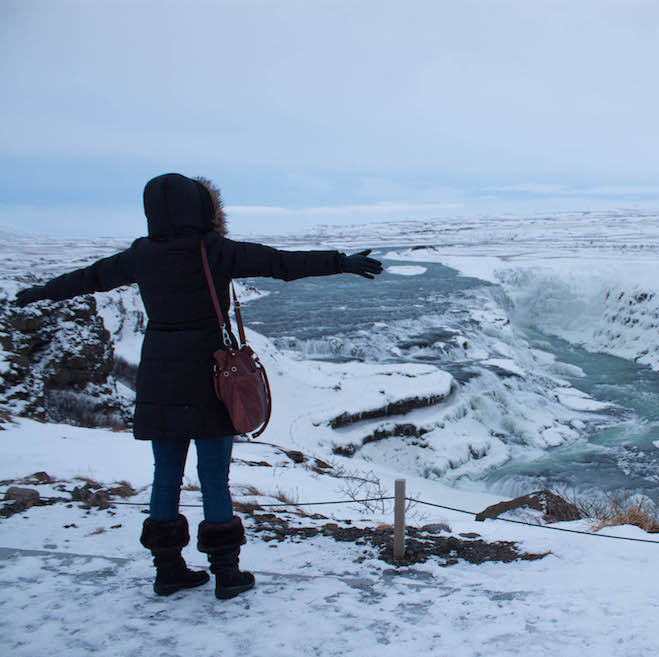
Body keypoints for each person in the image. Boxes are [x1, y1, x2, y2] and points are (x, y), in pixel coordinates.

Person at [14, 173, 383, 599]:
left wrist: (41, 292)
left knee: (165, 476)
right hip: (211, 375)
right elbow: (281, 264)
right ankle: (226, 573)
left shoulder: (141, 255)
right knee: (213, 477)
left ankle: (168, 570)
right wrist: (342, 262)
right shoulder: (214, 250)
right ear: (204, 209)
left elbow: (89, 278)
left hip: (159, 377)